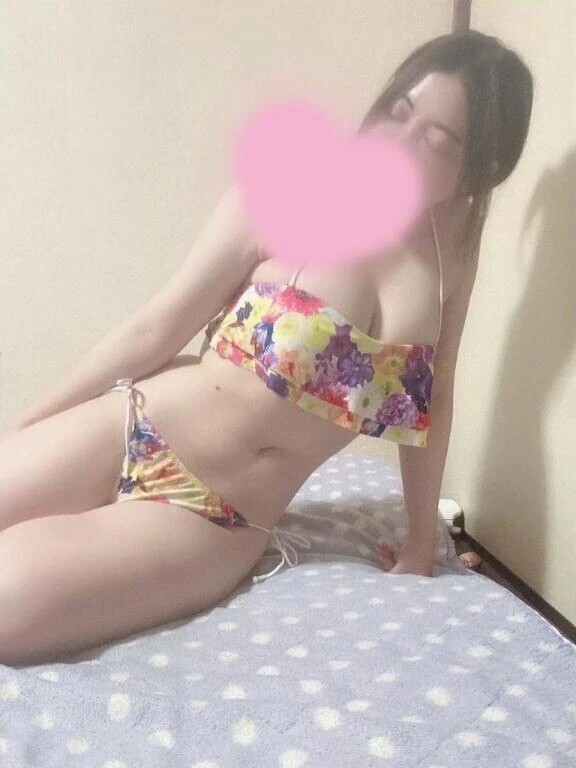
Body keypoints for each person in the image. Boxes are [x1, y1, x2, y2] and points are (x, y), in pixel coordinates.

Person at [0, 30, 533, 666]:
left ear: (480, 169)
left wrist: (422, 543)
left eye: (439, 143)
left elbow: (433, 400)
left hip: (217, 518)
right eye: (399, 113)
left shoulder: (452, 259)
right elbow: (154, 329)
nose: (402, 144)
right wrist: (33, 425)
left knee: (8, 606)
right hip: (135, 421)